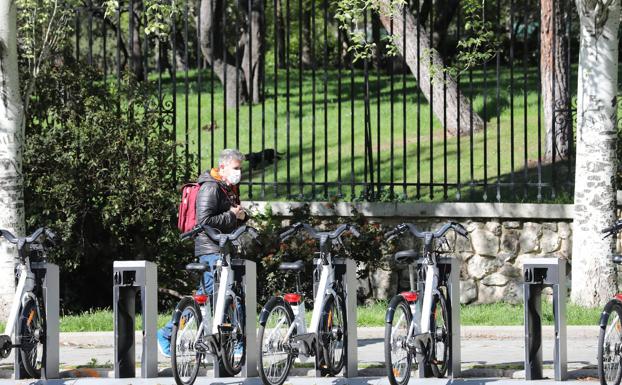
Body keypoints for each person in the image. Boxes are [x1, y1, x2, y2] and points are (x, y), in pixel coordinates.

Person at [157, 149, 247, 357]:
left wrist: (240, 215)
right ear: (222, 167)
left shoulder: (227, 188)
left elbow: (234, 215)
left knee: (206, 296)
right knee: (222, 297)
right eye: (235, 168)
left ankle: (168, 333)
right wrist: (232, 215)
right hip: (211, 250)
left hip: (223, 247)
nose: (238, 173)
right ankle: (235, 342)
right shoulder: (210, 188)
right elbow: (203, 222)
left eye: (240, 169)